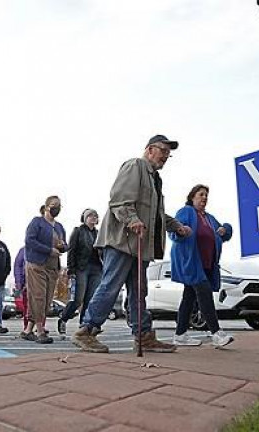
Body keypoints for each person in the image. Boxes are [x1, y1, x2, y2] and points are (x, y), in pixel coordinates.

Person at [72, 134, 192, 353]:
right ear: (149, 150)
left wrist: (176, 226)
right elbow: (119, 200)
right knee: (111, 286)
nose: (165, 156)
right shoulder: (135, 165)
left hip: (140, 244)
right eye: (162, 151)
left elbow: (156, 214)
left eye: (168, 153)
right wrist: (132, 220)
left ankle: (143, 335)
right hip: (122, 241)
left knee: (139, 292)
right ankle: (86, 331)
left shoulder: (155, 179)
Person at [170, 184, 234, 347]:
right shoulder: (186, 212)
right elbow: (174, 231)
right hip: (190, 262)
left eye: (206, 195)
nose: (204, 197)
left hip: (206, 264)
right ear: (192, 197)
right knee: (204, 294)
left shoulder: (209, 218)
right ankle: (216, 333)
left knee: (188, 299)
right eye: (201, 194)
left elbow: (225, 233)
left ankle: (180, 335)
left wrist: (224, 229)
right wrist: (180, 230)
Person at [20, 196, 68, 344]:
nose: (57, 208)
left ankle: (28, 330)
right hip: (36, 264)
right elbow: (29, 241)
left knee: (47, 299)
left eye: (59, 205)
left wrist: (62, 247)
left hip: (52, 266)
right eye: (54, 205)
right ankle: (40, 331)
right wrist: (48, 250)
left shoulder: (59, 227)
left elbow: (65, 244)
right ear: (46, 207)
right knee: (38, 296)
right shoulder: (37, 222)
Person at [58, 208, 103, 337]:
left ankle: (84, 327)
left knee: (90, 300)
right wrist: (71, 269)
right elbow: (71, 250)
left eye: (95, 216)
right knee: (78, 299)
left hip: (96, 269)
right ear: (84, 218)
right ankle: (63, 318)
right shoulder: (78, 231)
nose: (93, 218)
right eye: (90, 216)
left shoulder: (98, 233)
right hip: (81, 268)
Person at [13, 247, 29, 328]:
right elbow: (17, 266)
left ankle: (40, 327)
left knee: (42, 305)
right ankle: (27, 327)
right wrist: (19, 283)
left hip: (42, 280)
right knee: (27, 306)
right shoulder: (23, 251)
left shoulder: (46, 248)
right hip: (26, 282)